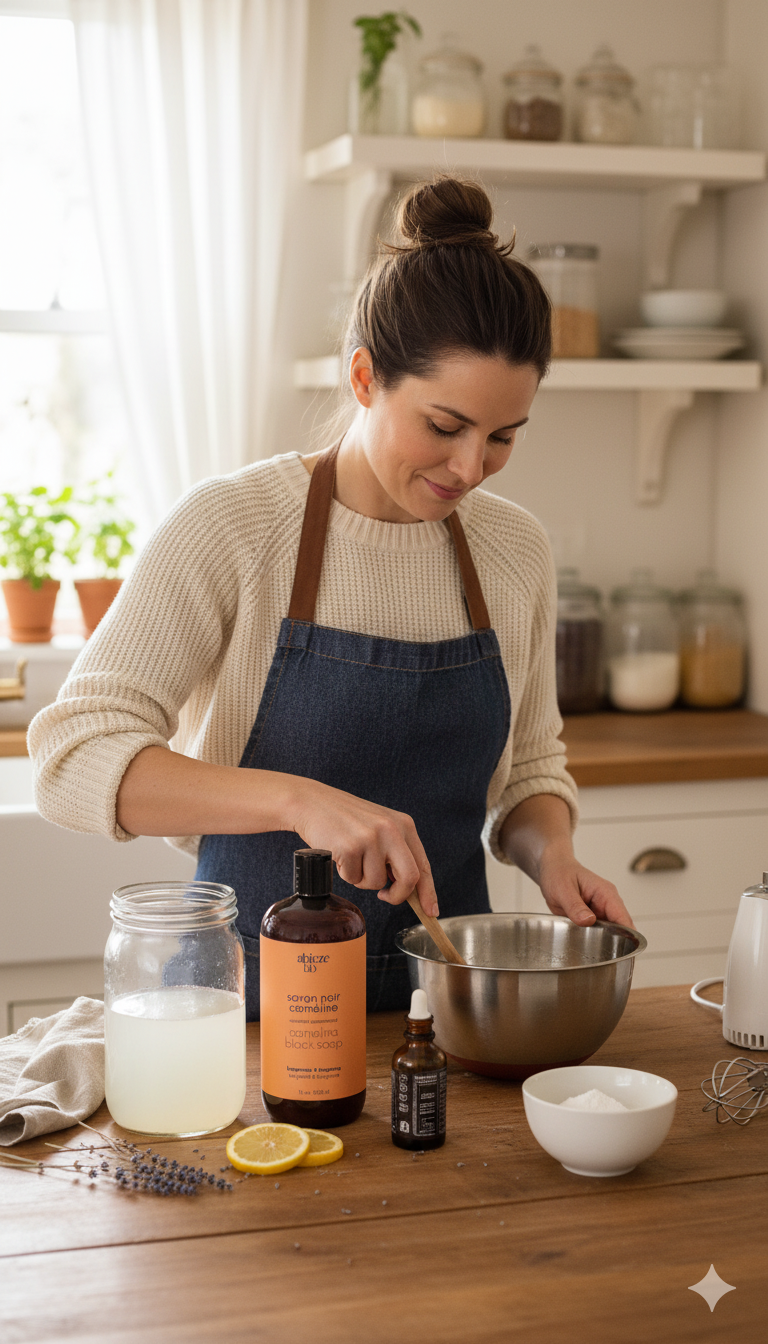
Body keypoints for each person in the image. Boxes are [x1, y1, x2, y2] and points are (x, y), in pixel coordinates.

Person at [29, 175, 632, 1018]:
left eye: (503, 438)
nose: (469, 468)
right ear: (363, 377)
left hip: (450, 1008)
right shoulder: (233, 527)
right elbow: (68, 758)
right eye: (445, 426)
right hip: (246, 1011)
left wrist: (553, 854)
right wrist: (296, 798)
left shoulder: (514, 551)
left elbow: (528, 769)